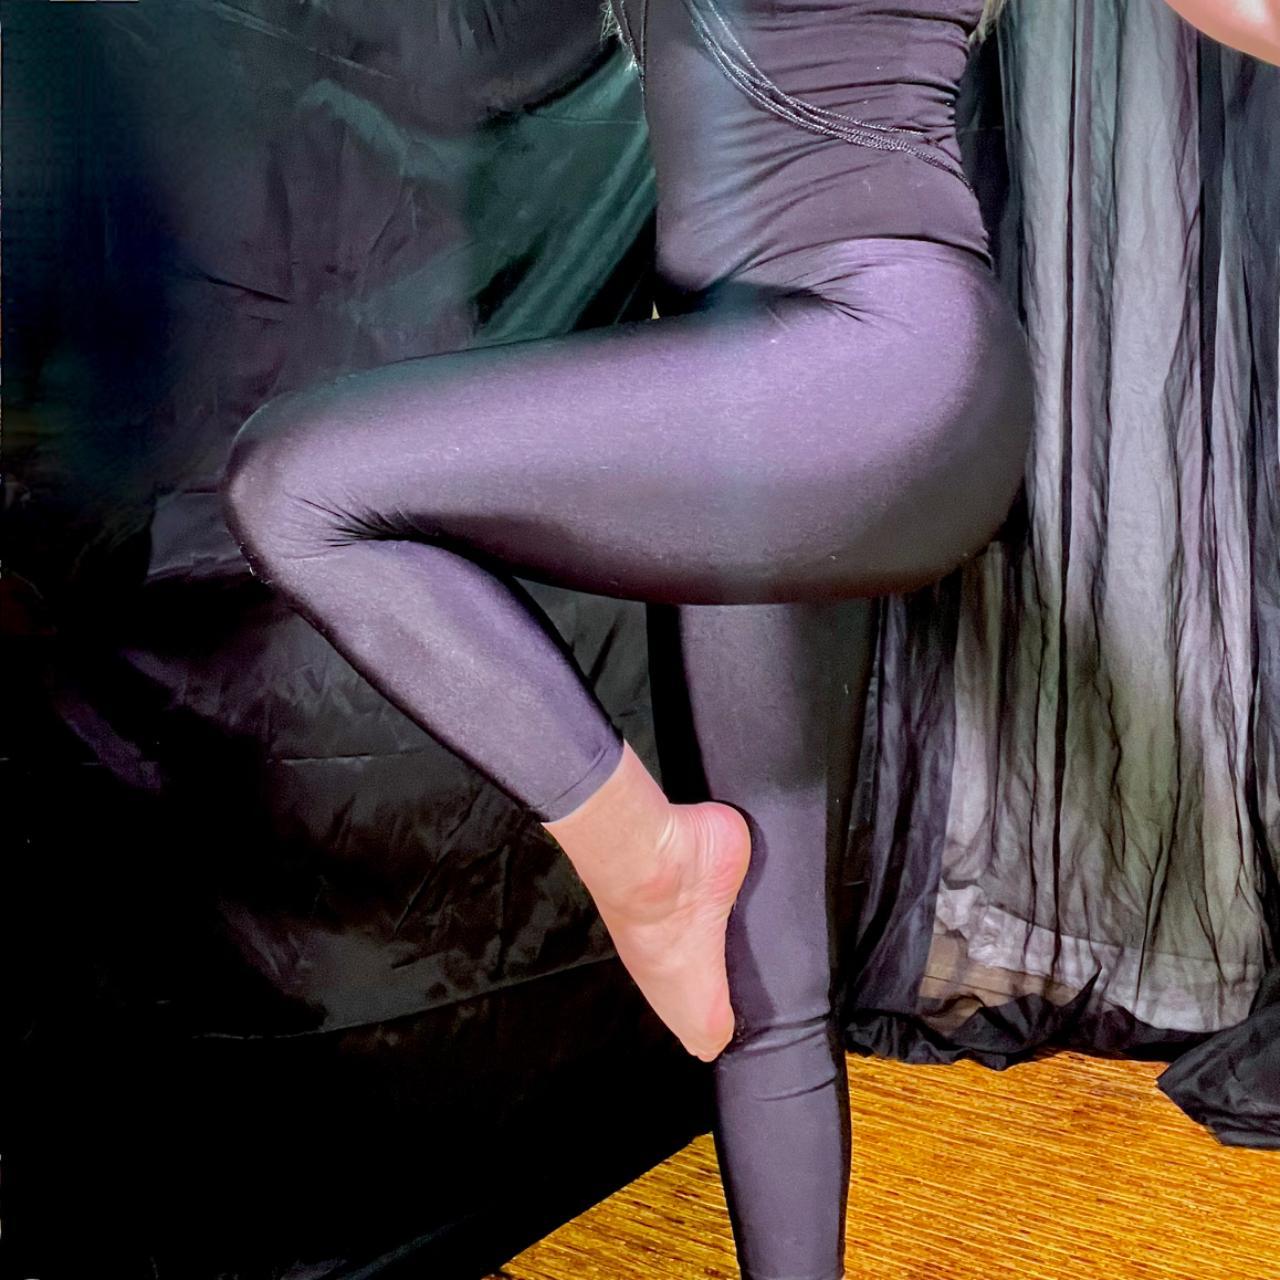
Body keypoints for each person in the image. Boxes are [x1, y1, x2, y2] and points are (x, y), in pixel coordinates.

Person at [218, 1, 1033, 1276]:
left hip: (884, 365)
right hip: (745, 402)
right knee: (762, 989)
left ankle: (642, 854)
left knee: (297, 485)